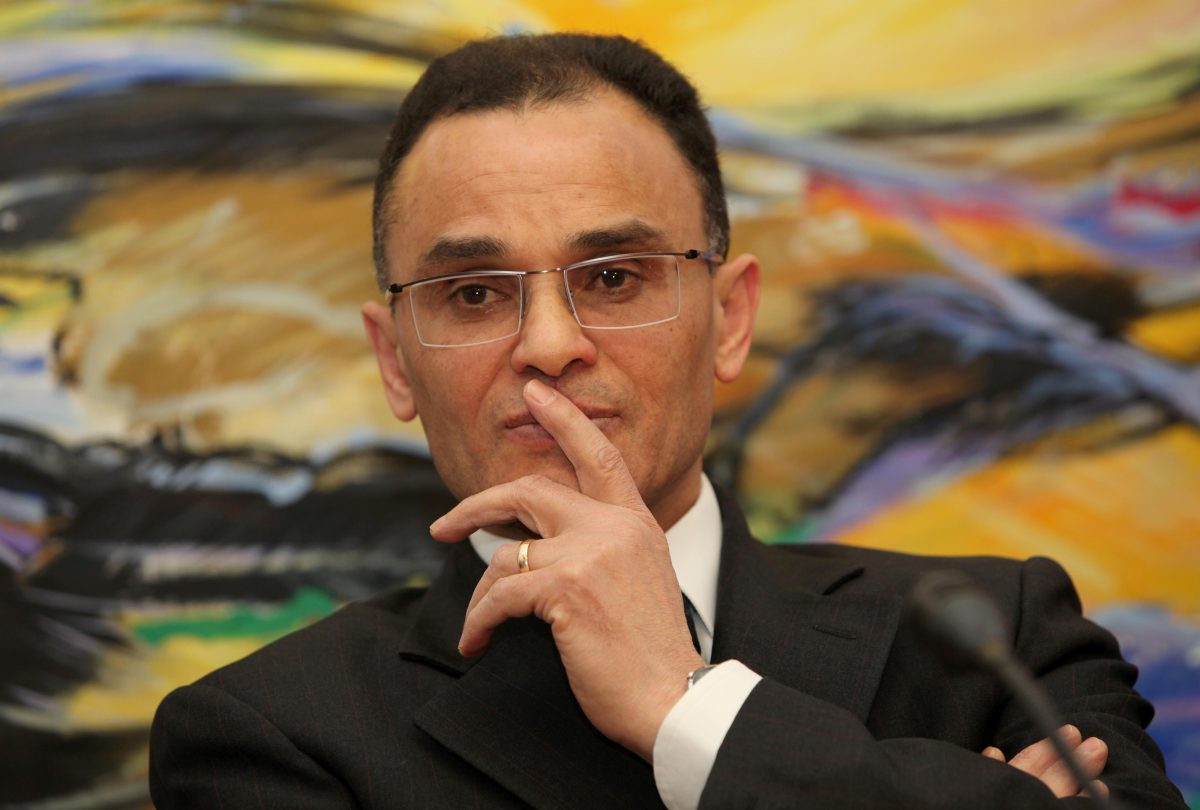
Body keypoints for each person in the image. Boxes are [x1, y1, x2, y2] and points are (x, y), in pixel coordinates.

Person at [149, 33, 1186, 809]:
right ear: (395, 360)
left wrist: (689, 706)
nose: (549, 343)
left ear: (729, 320)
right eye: (472, 293)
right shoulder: (270, 733)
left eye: (613, 276)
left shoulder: (998, 634)